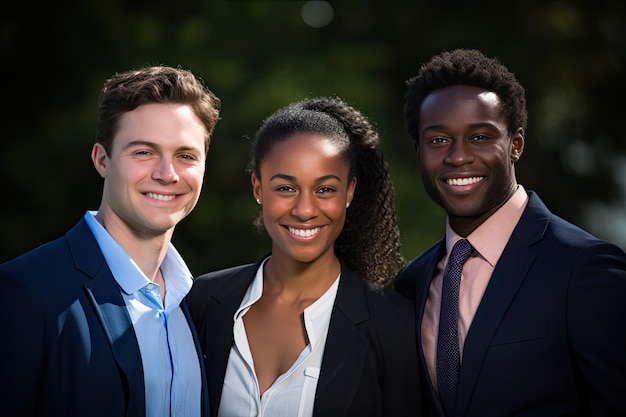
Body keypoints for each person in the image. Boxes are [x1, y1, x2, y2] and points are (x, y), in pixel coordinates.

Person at [395, 48, 626, 417]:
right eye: (439, 140)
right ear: (419, 151)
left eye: (480, 137)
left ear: (515, 144)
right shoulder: (411, 284)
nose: (458, 157)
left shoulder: (584, 269)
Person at [0, 65, 221, 417]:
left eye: (186, 156)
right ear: (102, 160)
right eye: (144, 152)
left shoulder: (200, 303)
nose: (167, 174)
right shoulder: (25, 291)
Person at [187, 96, 423, 416]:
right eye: (286, 188)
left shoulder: (392, 322)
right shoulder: (205, 300)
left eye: (325, 189)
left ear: (349, 191)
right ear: (258, 187)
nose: (305, 210)